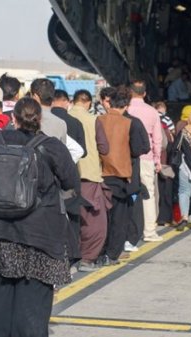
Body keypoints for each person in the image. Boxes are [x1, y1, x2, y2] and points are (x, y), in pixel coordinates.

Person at [0, 97, 79, 337]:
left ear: (13, 118)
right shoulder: (50, 146)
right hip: (38, 241)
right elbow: (71, 182)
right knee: (32, 314)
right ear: (39, 119)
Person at [97, 86, 146, 265]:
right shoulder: (131, 123)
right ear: (126, 105)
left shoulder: (99, 120)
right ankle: (113, 254)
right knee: (120, 218)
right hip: (122, 176)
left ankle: (99, 251)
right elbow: (141, 148)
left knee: (102, 217)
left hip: (101, 174)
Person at [69, 90, 111, 271]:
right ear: (88, 103)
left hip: (68, 175)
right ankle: (87, 258)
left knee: (71, 218)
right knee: (94, 220)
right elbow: (104, 147)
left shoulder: (64, 117)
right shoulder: (94, 120)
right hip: (89, 174)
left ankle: (71, 257)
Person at [128, 80, 163, 242]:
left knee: (127, 193)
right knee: (148, 193)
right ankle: (149, 231)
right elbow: (157, 139)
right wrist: (157, 159)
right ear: (145, 93)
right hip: (146, 157)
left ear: (130, 92)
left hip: (127, 157)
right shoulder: (152, 112)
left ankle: (129, 230)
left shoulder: (125, 109)